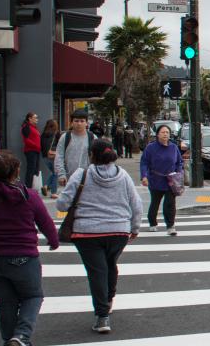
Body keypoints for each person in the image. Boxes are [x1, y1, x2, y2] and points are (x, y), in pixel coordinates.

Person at [55, 140, 143, 335]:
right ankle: (109, 300)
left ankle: (102, 316)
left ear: (92, 155)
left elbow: (62, 205)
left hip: (87, 232)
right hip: (119, 230)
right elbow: (136, 204)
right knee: (110, 265)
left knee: (96, 271)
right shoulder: (123, 176)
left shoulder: (81, 174)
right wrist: (134, 227)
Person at [0, 151, 59, 346]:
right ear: (16, 171)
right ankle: (21, 337)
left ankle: (9, 339)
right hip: (23, 256)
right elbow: (45, 223)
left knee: (5, 302)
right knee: (33, 296)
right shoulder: (29, 196)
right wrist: (53, 241)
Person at [139, 125, 184, 235]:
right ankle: (152, 222)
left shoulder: (173, 147)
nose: (165, 134)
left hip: (171, 180)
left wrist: (178, 173)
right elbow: (144, 162)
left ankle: (170, 226)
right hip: (155, 179)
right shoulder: (151, 147)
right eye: (163, 132)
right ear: (158, 134)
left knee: (170, 203)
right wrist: (144, 176)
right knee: (155, 202)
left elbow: (179, 162)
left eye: (167, 132)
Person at [55, 110, 96, 188]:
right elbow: (59, 156)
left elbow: (98, 157)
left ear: (86, 123)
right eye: (76, 121)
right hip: (69, 178)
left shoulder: (92, 137)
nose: (79, 123)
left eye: (82, 121)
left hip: (89, 178)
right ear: (72, 122)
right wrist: (61, 174)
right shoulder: (65, 137)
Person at [39, 119, 60, 198]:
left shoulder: (43, 134)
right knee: (55, 173)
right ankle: (53, 192)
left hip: (45, 156)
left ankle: (46, 186)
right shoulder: (55, 134)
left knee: (53, 173)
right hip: (52, 156)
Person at [20, 112, 41, 189]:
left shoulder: (34, 127)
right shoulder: (26, 127)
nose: (37, 119)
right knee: (31, 169)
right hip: (31, 151)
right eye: (35, 117)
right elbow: (26, 140)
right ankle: (28, 187)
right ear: (30, 118)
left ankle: (33, 187)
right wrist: (36, 146)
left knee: (35, 169)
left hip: (36, 151)